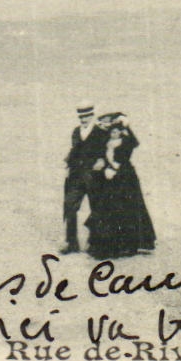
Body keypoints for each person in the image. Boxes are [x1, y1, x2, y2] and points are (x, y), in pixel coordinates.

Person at [85, 113, 156, 259]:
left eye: (117, 132)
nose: (114, 134)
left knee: (127, 208)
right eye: (112, 132)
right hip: (109, 180)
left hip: (125, 179)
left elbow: (134, 144)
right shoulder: (106, 143)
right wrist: (105, 168)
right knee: (107, 209)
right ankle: (105, 245)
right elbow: (97, 150)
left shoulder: (126, 143)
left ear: (121, 133)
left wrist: (127, 126)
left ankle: (128, 245)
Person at [61, 102, 107, 254]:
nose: (83, 119)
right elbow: (74, 150)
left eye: (86, 116)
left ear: (92, 115)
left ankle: (96, 244)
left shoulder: (101, 131)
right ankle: (71, 242)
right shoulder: (76, 131)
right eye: (81, 116)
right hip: (76, 176)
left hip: (94, 177)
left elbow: (108, 150)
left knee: (97, 209)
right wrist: (68, 163)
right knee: (69, 206)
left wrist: (102, 160)